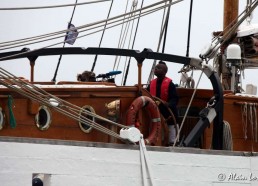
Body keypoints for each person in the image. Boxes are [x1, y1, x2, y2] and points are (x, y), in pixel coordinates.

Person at [147, 61, 179, 145]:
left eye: (158, 68)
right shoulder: (152, 83)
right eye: (155, 68)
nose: (155, 69)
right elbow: (146, 94)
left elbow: (175, 98)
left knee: (171, 128)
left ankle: (172, 143)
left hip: (168, 113)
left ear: (164, 71)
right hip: (155, 112)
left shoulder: (170, 84)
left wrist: (168, 104)